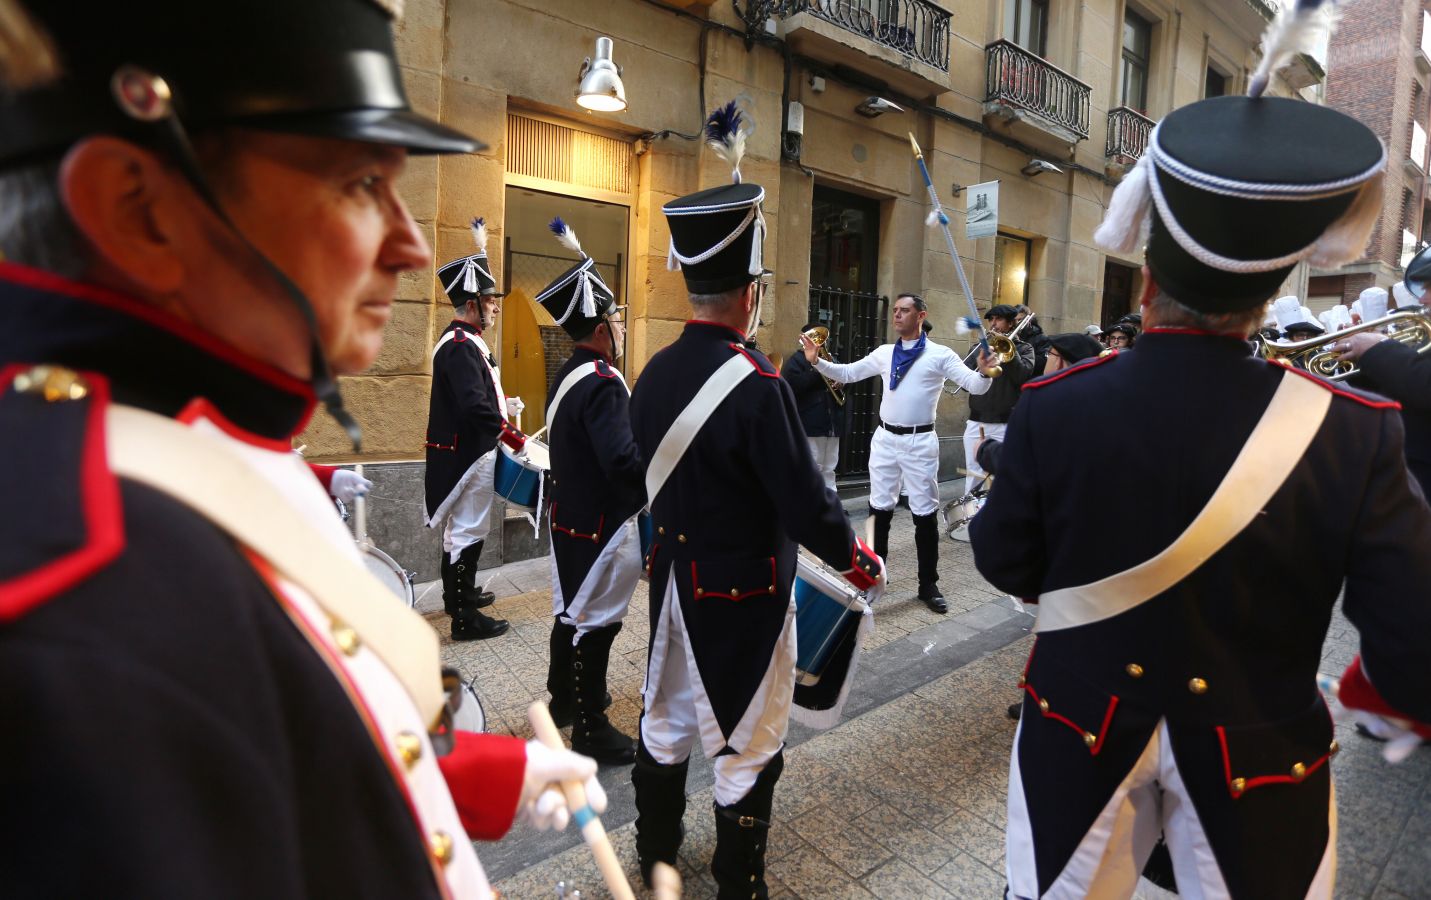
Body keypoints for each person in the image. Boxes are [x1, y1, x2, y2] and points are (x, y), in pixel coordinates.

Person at [0, 2, 603, 897]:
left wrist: (479, 773)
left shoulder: (198, 430)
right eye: (362, 182)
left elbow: (291, 740)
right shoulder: (92, 598)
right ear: (139, 211)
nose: (405, 245)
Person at [971, 90, 1431, 899]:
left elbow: (1005, 559)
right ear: (1264, 297)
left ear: (1147, 285)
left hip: (1079, 719)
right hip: (1258, 741)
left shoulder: (1058, 406)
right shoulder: (1357, 430)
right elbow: (1411, 626)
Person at [630, 100, 884, 897]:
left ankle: (657, 852)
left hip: (671, 580)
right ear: (750, 293)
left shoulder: (651, 372)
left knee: (666, 720)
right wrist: (853, 555)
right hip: (739, 590)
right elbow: (805, 499)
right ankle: (739, 882)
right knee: (748, 737)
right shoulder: (756, 383)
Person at [802, 294, 995, 612]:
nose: (897, 315)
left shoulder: (940, 354)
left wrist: (986, 372)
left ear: (921, 315)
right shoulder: (884, 353)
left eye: (904, 311)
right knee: (880, 511)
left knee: (923, 514)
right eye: (895, 310)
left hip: (920, 442)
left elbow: (975, 386)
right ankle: (874, 579)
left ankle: (928, 584)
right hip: (885, 440)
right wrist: (816, 361)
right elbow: (848, 373)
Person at [533, 216, 644, 766]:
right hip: (602, 521)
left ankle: (564, 701)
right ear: (600, 328)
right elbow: (622, 460)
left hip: (570, 515)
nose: (621, 328)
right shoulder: (603, 381)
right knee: (596, 619)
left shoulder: (568, 372)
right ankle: (591, 726)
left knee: (568, 611)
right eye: (617, 320)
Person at [425, 218, 525, 641]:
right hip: (471, 452)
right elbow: (473, 406)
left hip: (467, 448)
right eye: (490, 299)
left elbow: (481, 396)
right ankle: (464, 618)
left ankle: (456, 597)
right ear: (472, 304)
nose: (496, 306)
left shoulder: (463, 342)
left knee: (460, 529)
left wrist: (507, 405)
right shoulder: (461, 346)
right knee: (469, 528)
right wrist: (511, 434)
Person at [965, 302, 1037, 492]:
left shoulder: (1025, 349)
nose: (993, 324)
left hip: (1006, 423)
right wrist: (983, 354)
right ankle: (969, 520)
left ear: (1011, 323)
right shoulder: (978, 347)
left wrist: (1008, 351)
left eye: (998, 319)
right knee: (974, 475)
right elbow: (965, 382)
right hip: (977, 421)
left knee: (1004, 476)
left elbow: (1023, 376)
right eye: (991, 320)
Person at [781, 321, 846, 491]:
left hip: (831, 423)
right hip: (810, 421)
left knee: (830, 466)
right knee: (812, 466)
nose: (818, 342)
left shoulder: (831, 359)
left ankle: (830, 503)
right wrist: (818, 371)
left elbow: (845, 378)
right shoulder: (796, 360)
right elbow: (793, 385)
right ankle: (812, 506)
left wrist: (842, 383)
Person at [1015, 303, 1053, 374]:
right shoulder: (1010, 335)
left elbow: (1042, 363)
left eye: (1020, 320)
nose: (1017, 323)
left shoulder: (1041, 338)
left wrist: (1022, 354)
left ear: (1028, 320)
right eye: (1015, 320)